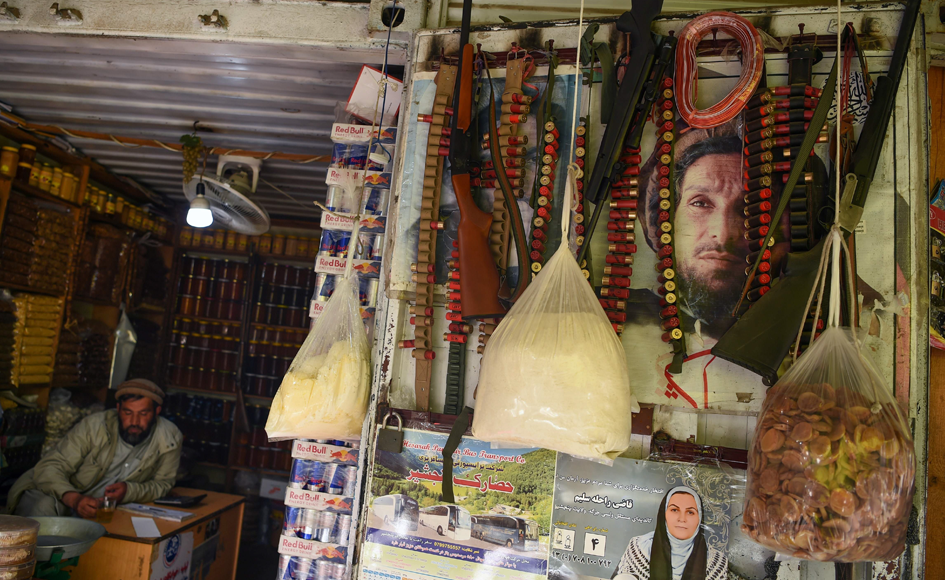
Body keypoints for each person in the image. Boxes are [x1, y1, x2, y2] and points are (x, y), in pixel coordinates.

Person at [7, 379, 182, 518]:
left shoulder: (169, 437)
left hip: (102, 510)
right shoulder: (95, 426)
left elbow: (163, 484)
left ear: (157, 411)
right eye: (128, 413)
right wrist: (74, 499)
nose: (135, 422)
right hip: (57, 493)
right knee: (43, 508)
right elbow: (50, 467)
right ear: (118, 409)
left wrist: (129, 491)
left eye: (143, 414)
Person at [612, 486, 727, 580]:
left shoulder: (716, 561)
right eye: (674, 510)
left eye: (690, 512)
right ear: (664, 514)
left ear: (699, 518)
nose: (682, 519)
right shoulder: (640, 549)